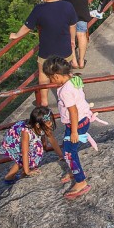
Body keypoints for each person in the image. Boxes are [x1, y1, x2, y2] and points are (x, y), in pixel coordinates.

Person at [8, 0, 77, 106]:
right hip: (64, 48)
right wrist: (72, 40)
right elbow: (73, 25)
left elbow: (27, 27)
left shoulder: (39, 9)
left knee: (43, 74)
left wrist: (16, 35)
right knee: (65, 73)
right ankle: (70, 98)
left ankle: (44, 102)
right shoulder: (67, 5)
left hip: (47, 50)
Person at [43, 57, 94, 199]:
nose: (50, 81)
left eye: (50, 78)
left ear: (57, 76)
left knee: (69, 153)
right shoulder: (73, 79)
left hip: (75, 124)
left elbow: (73, 111)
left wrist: (74, 132)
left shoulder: (65, 91)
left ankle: (80, 181)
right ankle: (74, 170)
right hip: (83, 119)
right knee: (68, 149)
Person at [0, 106, 63, 184]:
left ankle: (23, 173)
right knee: (23, 157)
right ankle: (9, 177)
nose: (51, 123)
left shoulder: (43, 125)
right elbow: (24, 152)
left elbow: (52, 140)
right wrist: (27, 171)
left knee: (35, 151)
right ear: (38, 125)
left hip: (30, 138)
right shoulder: (26, 132)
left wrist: (61, 156)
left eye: (51, 121)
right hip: (15, 139)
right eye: (49, 122)